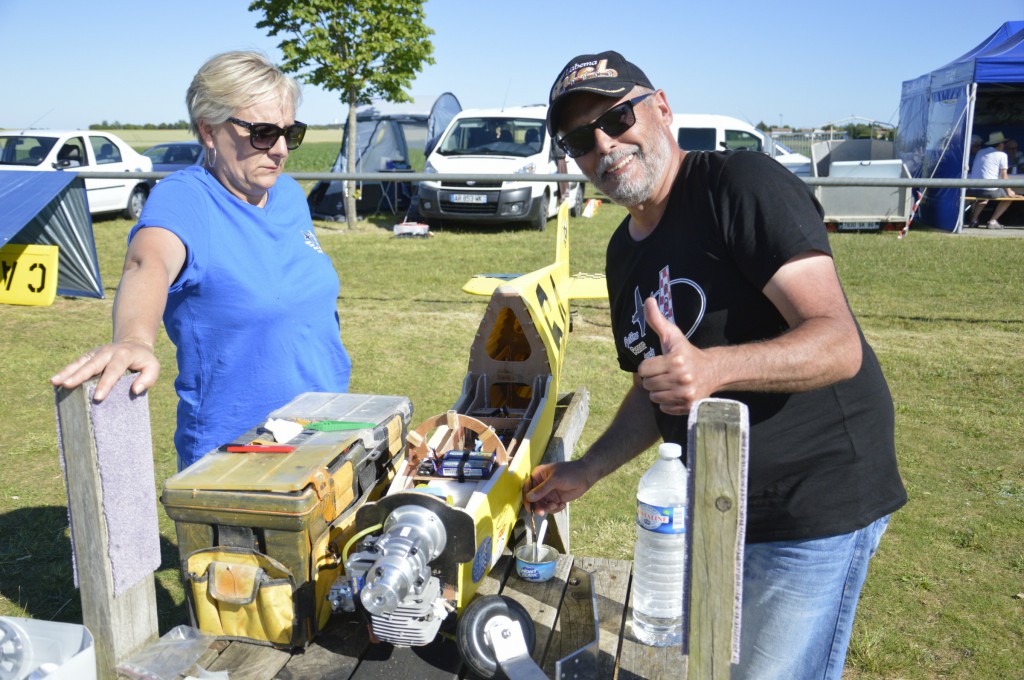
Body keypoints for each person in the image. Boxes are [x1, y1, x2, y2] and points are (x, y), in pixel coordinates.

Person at [526, 50, 907, 679]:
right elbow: (658, 387)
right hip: (715, 501)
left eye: (617, 116)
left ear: (663, 108)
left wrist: (714, 370)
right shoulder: (624, 253)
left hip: (812, 499)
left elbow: (839, 343)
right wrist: (588, 469)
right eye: (578, 139)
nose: (604, 144)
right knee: (715, 666)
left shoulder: (741, 184)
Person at [51, 51, 352, 470]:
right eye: (264, 133)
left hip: (323, 433)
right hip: (238, 454)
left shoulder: (286, 196)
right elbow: (148, 263)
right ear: (209, 131)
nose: (281, 150)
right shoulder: (186, 198)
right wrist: (135, 338)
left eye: (290, 132)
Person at [968, 130, 1017, 229]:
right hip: (988, 190)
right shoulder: (1002, 155)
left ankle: (974, 220)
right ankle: (992, 221)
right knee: (1009, 198)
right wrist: (1009, 191)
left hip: (973, 189)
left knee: (983, 197)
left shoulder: (980, 152)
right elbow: (1004, 176)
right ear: (1000, 144)